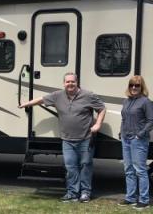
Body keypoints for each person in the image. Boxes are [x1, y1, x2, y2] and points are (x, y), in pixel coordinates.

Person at [19, 72, 106, 203]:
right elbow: (41, 99)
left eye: (73, 81)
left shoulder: (88, 95)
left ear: (77, 82)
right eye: (67, 82)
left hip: (86, 139)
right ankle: (72, 193)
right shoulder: (57, 96)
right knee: (71, 168)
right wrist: (26, 104)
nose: (70, 84)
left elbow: (102, 108)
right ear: (64, 83)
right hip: (67, 140)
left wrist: (98, 124)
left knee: (85, 166)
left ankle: (85, 193)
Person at [118, 75, 153, 210]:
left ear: (141, 87)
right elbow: (123, 119)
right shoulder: (126, 101)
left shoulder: (146, 102)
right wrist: (121, 132)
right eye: (131, 85)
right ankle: (130, 198)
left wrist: (140, 134)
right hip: (126, 139)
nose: (134, 88)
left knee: (140, 170)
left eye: (137, 85)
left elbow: (151, 121)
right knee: (128, 169)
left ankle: (144, 200)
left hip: (138, 140)